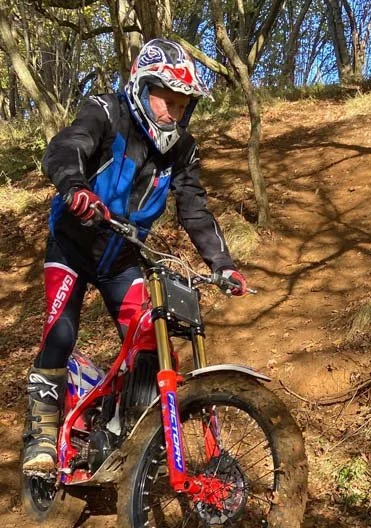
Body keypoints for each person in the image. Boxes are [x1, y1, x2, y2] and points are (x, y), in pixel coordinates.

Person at [22, 38, 246, 474]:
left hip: (123, 256)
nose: (174, 113)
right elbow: (67, 146)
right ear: (142, 88)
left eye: (184, 106)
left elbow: (194, 206)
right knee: (61, 334)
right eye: (168, 101)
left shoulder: (182, 150)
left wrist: (224, 263)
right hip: (72, 243)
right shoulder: (105, 112)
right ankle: (42, 436)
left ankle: (132, 433)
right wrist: (75, 187)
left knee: (150, 340)